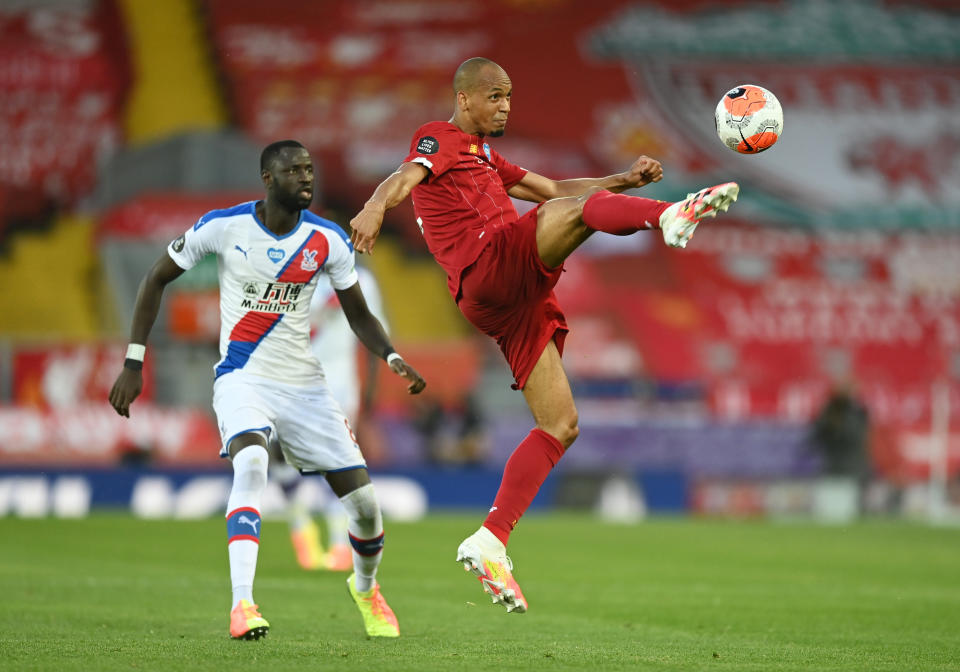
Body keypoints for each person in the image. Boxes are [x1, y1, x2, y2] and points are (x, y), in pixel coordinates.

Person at [349, 57, 739, 614]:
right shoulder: (439, 138)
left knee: (560, 425)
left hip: (509, 302)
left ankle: (491, 539)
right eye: (495, 96)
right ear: (465, 100)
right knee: (569, 214)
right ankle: (669, 216)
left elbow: (553, 187)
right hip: (488, 264)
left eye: (509, 96)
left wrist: (618, 181)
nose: (505, 105)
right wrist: (372, 207)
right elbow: (405, 177)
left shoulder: (484, 154)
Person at [108, 140, 426, 640]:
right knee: (253, 463)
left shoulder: (329, 240)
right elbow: (156, 277)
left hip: (305, 385)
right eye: (294, 170)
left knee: (365, 507)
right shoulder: (223, 226)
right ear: (268, 178)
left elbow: (359, 314)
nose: (306, 178)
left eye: (309, 169)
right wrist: (133, 361)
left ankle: (365, 589)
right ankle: (243, 606)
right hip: (242, 376)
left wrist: (391, 357)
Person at [275, 263, 389, 572]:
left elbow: (374, 330)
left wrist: (369, 394)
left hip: (339, 383)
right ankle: (301, 524)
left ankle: (340, 543)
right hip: (292, 377)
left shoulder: (362, 280)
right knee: (279, 458)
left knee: (337, 462)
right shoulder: (293, 275)